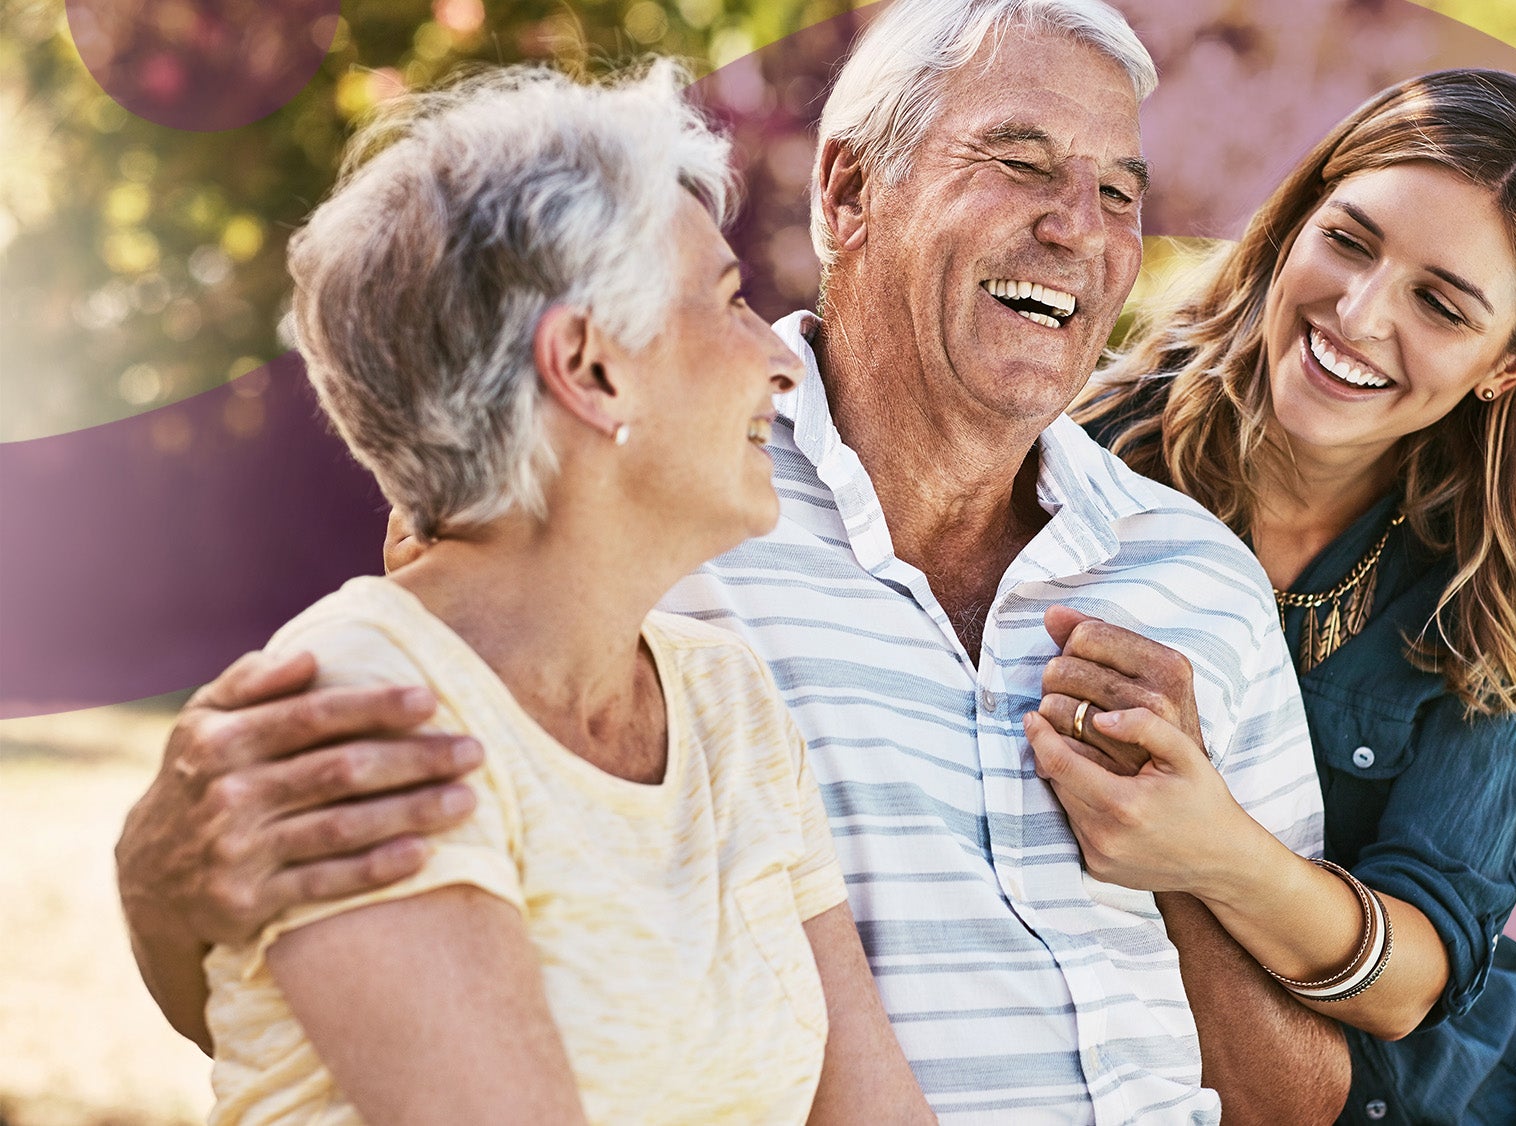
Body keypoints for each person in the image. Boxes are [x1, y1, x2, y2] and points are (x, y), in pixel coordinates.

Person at [116, 1, 1350, 1121]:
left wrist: (1193, 851)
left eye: (1121, 193)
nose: (1077, 227)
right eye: (1019, 161)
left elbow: (1298, 1094)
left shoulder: (725, 688)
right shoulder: (588, 577)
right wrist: (164, 881)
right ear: (848, 193)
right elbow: (337, 833)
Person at [195, 62, 933, 1124]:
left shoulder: (725, 702)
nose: (778, 356)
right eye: (728, 303)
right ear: (587, 368)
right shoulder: (357, 707)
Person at [1047, 70, 1516, 1122]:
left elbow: (1415, 976)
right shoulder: (1087, 461)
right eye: (1347, 241)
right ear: (1294, 219)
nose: (1355, 314)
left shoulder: (1496, 578)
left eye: (1439, 304)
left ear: (1511, 364)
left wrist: (1209, 851)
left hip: (1487, 1092)